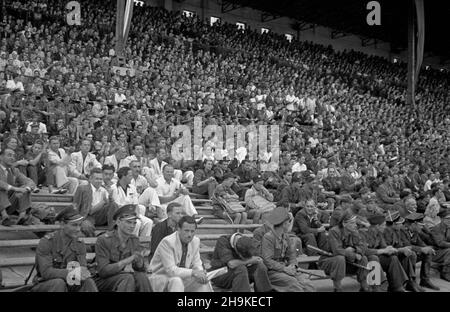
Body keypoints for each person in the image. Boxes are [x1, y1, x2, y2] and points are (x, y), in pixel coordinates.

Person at [31, 206, 98, 292]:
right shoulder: (47, 242)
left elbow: (82, 269)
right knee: (59, 283)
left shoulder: (79, 244)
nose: (78, 229)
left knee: (88, 282)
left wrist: (84, 272)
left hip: (70, 282)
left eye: (79, 225)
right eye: (74, 225)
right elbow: (46, 273)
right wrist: (71, 273)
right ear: (62, 224)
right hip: (46, 284)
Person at [94, 205, 152, 292]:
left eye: (134, 223)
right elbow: (103, 271)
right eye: (128, 222)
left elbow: (138, 268)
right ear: (118, 222)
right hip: (104, 280)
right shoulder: (104, 240)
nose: (132, 226)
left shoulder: (134, 240)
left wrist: (140, 262)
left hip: (124, 277)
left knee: (141, 277)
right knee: (127, 278)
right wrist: (128, 260)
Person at [149, 216, 213, 292]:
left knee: (203, 280)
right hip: (161, 277)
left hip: (182, 276)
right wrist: (193, 272)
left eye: (192, 231)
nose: (189, 234)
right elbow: (171, 271)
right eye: (186, 230)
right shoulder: (167, 242)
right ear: (178, 229)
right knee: (176, 281)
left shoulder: (195, 241)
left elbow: (197, 263)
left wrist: (201, 273)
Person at [260, 207, 315, 292]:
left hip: (286, 269)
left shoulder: (285, 236)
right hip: (272, 272)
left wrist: (293, 266)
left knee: (307, 284)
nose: (289, 224)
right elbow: (268, 261)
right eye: (288, 222)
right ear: (284, 224)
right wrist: (285, 269)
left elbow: (291, 255)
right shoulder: (268, 237)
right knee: (293, 284)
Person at [383, 211, 440, 291]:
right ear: (414, 224)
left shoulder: (414, 231)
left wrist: (427, 248)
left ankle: (424, 280)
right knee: (412, 254)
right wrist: (421, 249)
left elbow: (420, 243)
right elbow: (405, 245)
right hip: (395, 255)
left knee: (427, 253)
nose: (422, 228)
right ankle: (410, 282)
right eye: (420, 225)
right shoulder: (401, 230)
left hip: (400, 253)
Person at [317, 210, 372, 292]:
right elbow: (337, 250)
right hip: (330, 261)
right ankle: (337, 288)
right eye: (352, 223)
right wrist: (354, 255)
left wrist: (354, 249)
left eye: (355, 223)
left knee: (363, 258)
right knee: (340, 258)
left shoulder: (354, 232)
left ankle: (364, 286)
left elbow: (363, 246)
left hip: (348, 262)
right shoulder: (334, 231)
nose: (355, 225)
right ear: (344, 223)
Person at [359, 214, 409, 292]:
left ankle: (397, 286)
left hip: (377, 257)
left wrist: (390, 249)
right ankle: (377, 287)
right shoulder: (362, 233)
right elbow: (364, 251)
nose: (385, 227)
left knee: (393, 258)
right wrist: (382, 251)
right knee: (373, 258)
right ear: (377, 226)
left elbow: (384, 246)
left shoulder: (379, 233)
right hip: (365, 259)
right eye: (383, 225)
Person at [110, 166, 153, 238]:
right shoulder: (114, 188)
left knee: (149, 222)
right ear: (124, 176)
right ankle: (131, 243)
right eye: (130, 176)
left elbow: (136, 204)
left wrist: (137, 215)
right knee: (137, 223)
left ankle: (143, 244)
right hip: (121, 214)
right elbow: (117, 207)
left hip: (133, 212)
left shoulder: (132, 187)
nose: (132, 178)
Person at [73, 168, 115, 237]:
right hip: (87, 217)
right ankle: (96, 241)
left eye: (101, 179)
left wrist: (110, 198)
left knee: (113, 204)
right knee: (86, 226)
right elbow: (76, 206)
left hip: (100, 216)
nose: (99, 181)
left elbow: (110, 206)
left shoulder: (104, 189)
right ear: (90, 179)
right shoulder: (82, 188)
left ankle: (111, 231)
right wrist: (77, 220)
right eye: (97, 179)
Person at [0, 148, 36, 226]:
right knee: (2, 189)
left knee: (25, 187)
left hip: (9, 204)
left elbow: (30, 182)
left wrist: (26, 189)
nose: (12, 158)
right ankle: (4, 217)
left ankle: (22, 217)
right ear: (1, 157)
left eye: (14, 156)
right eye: (9, 155)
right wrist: (15, 188)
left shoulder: (15, 170)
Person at [429, 210, 450, 282]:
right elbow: (440, 243)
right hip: (436, 252)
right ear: (442, 219)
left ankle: (441, 266)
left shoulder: (448, 227)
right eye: (448, 218)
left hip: (445, 251)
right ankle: (445, 272)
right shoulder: (436, 228)